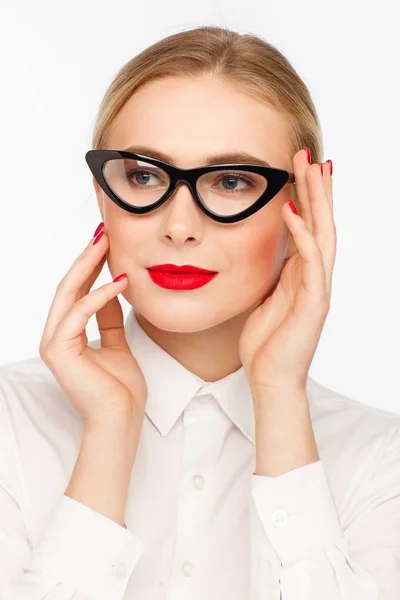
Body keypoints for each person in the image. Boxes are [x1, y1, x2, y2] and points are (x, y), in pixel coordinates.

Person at [1, 25, 399, 600]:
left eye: (231, 181)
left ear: (305, 207)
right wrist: (110, 437)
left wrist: (280, 400)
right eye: (143, 176)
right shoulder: (12, 422)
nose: (180, 227)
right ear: (102, 195)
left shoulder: (378, 457)